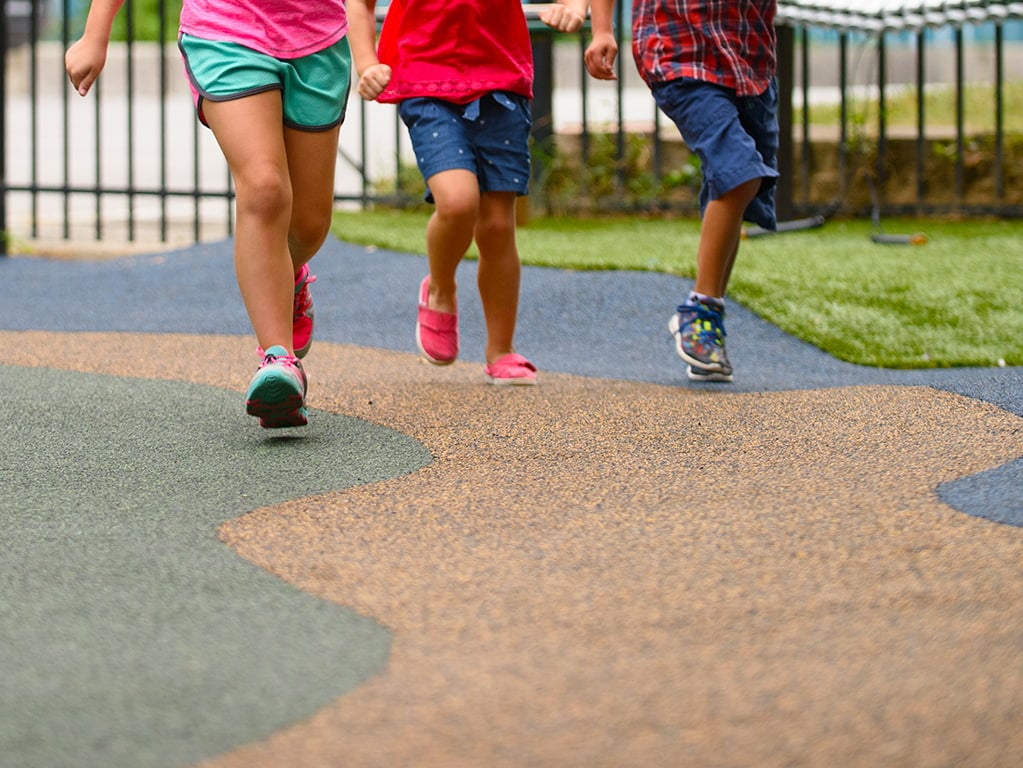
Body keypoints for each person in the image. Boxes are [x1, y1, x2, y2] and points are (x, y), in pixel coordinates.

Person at [66, 0, 353, 426]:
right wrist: (95, 31)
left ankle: (289, 277)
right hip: (224, 30)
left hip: (316, 38)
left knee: (310, 224)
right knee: (264, 187)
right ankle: (278, 359)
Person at [347, 0, 587, 386]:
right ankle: (440, 288)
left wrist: (573, 5)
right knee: (458, 201)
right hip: (426, 81)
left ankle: (501, 350)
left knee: (496, 225)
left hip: (500, 80)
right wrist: (365, 61)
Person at [584, 0, 779, 383]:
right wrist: (602, 29)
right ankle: (701, 310)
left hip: (748, 56)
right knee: (739, 172)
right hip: (678, 52)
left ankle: (709, 319)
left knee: (735, 186)